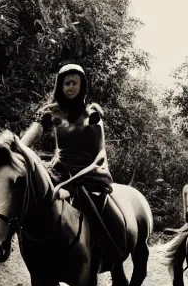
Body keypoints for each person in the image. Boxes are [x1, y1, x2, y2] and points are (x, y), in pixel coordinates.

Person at [19, 63, 125, 253]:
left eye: (74, 83)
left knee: (105, 212)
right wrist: (15, 148)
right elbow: (28, 139)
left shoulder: (92, 114)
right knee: (31, 195)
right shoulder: (51, 112)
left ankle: (110, 250)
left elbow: (101, 153)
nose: (70, 87)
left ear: (82, 86)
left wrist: (88, 172)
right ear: (60, 86)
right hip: (59, 171)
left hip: (88, 173)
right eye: (66, 83)